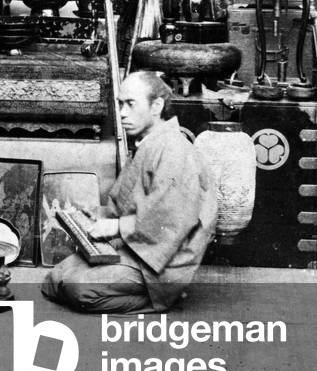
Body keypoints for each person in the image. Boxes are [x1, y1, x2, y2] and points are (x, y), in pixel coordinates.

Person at [42, 71, 218, 313]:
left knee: (77, 287)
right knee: (56, 278)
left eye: (131, 104)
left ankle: (159, 300)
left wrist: (115, 227)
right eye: (120, 104)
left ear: (156, 106)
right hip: (133, 245)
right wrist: (98, 214)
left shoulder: (175, 151)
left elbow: (168, 222)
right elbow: (129, 204)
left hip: (158, 263)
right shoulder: (150, 144)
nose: (123, 113)